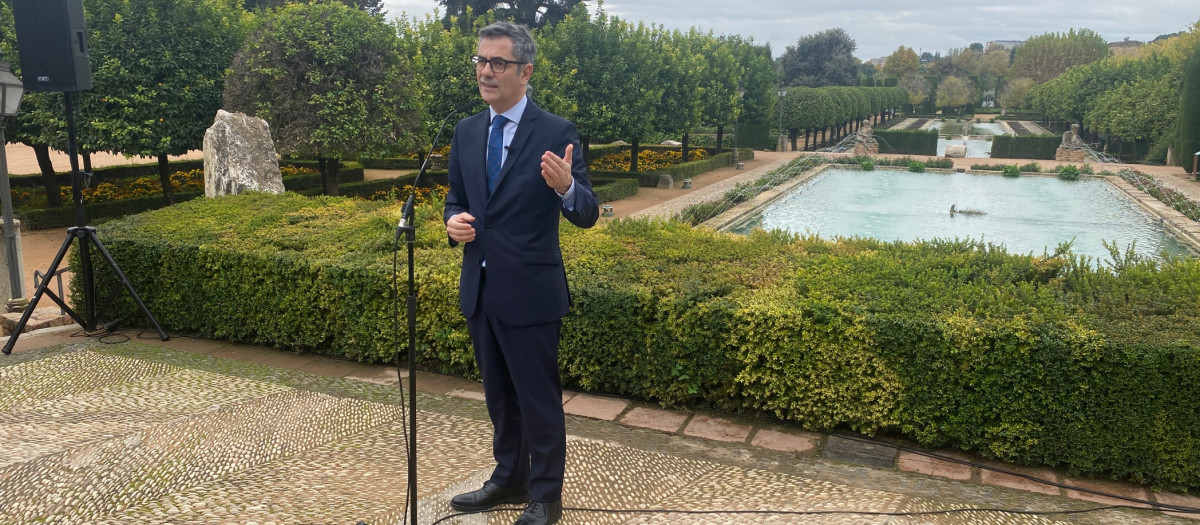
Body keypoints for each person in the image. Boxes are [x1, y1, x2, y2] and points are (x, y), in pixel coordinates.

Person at [442, 21, 598, 525]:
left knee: (538, 399)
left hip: (531, 292)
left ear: (525, 72)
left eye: (498, 63)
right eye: (480, 61)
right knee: (499, 396)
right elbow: (456, 198)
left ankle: (545, 495)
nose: (485, 71)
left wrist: (567, 187)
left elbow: (587, 211)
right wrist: (452, 222)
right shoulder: (466, 131)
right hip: (481, 288)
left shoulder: (556, 133)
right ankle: (510, 477)